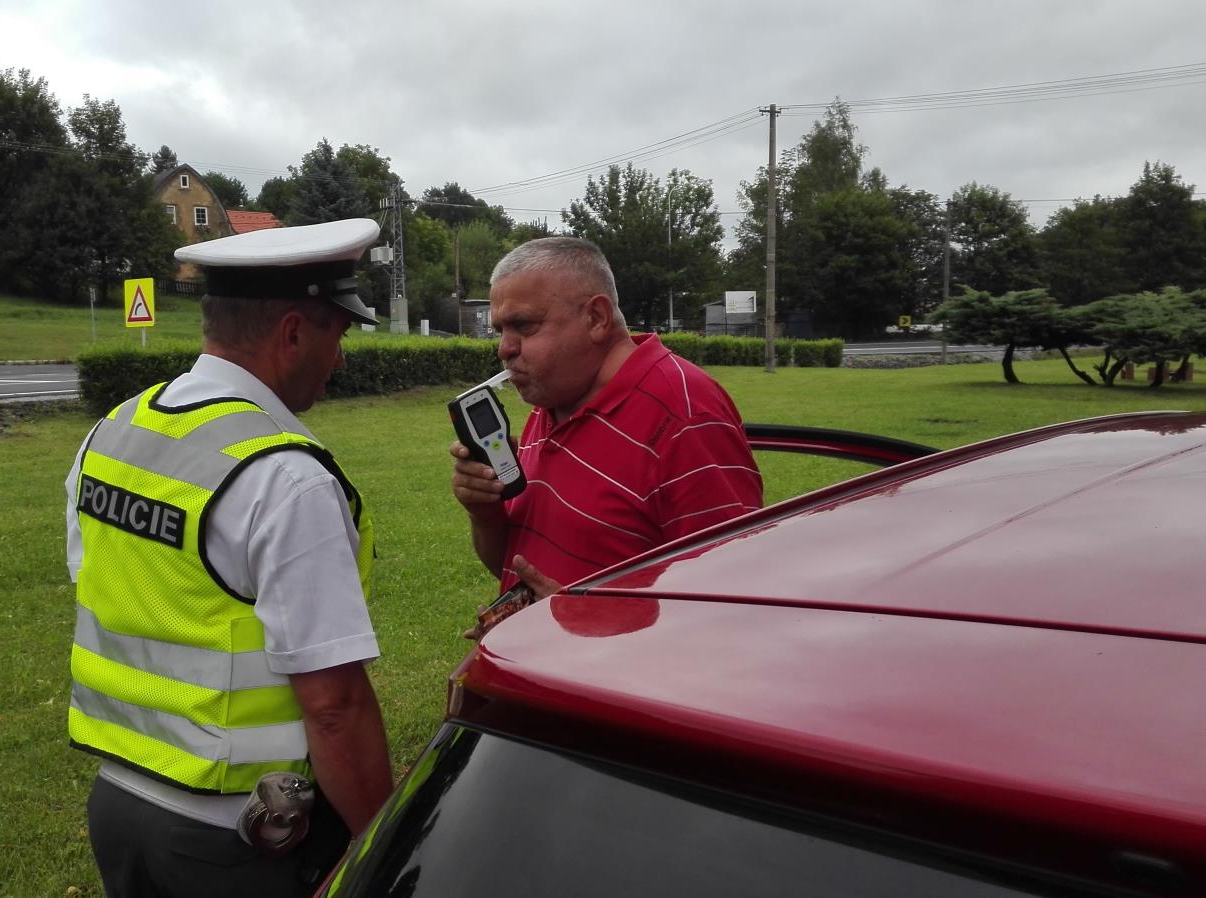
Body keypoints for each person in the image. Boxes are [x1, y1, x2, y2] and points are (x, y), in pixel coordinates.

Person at [64, 218, 393, 898]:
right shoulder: (286, 476)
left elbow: (102, 581)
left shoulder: (116, 428)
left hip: (119, 808)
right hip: (238, 841)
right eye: (337, 336)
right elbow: (333, 706)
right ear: (294, 331)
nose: (339, 361)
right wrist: (384, 848)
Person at [450, 237, 764, 610]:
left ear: (596, 318)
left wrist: (583, 618)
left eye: (524, 325)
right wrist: (485, 514)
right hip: (538, 664)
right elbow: (514, 565)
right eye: (500, 330)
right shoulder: (553, 401)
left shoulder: (686, 414)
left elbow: (731, 599)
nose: (504, 348)